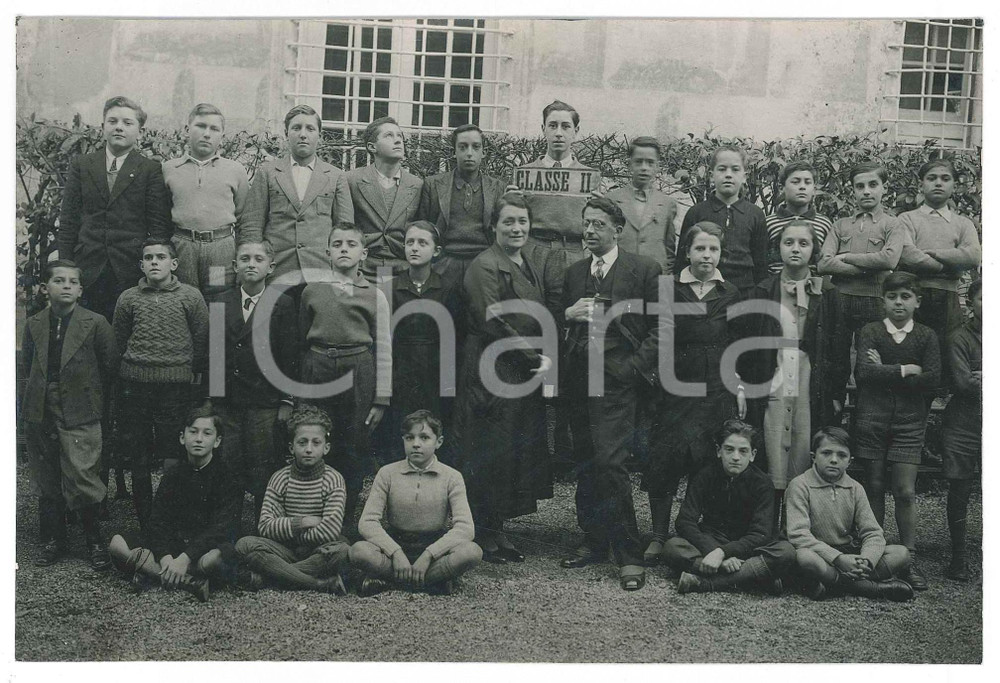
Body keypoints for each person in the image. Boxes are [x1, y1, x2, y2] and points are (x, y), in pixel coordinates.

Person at [558, 196, 662, 591]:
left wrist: (633, 368)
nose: (590, 231)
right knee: (585, 459)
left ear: (617, 229)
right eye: (586, 223)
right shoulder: (574, 273)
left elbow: (661, 327)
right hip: (579, 380)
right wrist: (567, 316)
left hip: (619, 382)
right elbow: (557, 322)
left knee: (610, 462)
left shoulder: (643, 270)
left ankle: (629, 552)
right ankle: (594, 541)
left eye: (599, 224)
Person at [452, 192, 554, 563]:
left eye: (522, 222)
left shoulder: (524, 261)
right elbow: (492, 318)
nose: (516, 228)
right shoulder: (485, 264)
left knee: (509, 448)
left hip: (516, 369)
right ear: (493, 226)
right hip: (491, 366)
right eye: (508, 221)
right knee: (488, 448)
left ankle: (497, 530)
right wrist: (532, 357)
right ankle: (481, 532)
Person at [642, 221, 745, 562]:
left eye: (713, 249)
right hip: (675, 384)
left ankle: (698, 531)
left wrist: (738, 384)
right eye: (700, 248)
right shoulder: (667, 287)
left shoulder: (729, 292)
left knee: (706, 461)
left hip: (715, 386)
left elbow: (735, 343)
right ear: (687, 252)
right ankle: (658, 534)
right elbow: (653, 332)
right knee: (665, 458)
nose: (707, 255)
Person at [740, 220, 848, 533]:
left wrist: (837, 392)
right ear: (779, 248)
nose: (796, 249)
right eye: (789, 243)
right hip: (773, 368)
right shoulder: (763, 289)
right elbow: (750, 343)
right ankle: (766, 530)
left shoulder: (827, 292)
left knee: (803, 440)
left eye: (803, 243)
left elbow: (839, 346)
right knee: (773, 441)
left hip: (809, 373)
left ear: (813, 250)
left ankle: (797, 530)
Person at [20, 260, 119, 569]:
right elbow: (29, 366)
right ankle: (54, 540)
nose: (66, 285)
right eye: (58, 280)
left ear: (80, 289)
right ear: (44, 288)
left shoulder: (95, 322)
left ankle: (94, 540)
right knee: (47, 477)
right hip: (41, 407)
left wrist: (97, 403)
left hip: (80, 406)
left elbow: (110, 366)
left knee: (82, 473)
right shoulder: (34, 323)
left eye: (72, 281)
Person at [299, 222, 391, 530]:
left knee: (353, 446)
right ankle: (315, 518)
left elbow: (384, 349)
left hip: (358, 372)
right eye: (337, 244)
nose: (343, 250)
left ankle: (346, 521)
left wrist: (381, 398)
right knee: (316, 438)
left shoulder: (374, 294)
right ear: (327, 252)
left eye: (351, 244)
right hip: (319, 368)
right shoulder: (312, 291)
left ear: (363, 254)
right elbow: (303, 338)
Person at [112, 237, 208, 530]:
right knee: (138, 457)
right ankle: (145, 522)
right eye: (149, 258)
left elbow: (203, 341)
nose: (155, 262)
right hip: (136, 387)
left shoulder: (191, 297)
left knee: (173, 455)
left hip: (175, 389)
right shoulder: (128, 298)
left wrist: (196, 382)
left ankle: (170, 519)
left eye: (161, 257)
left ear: (174, 264)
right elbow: (118, 341)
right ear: (141, 265)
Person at [852, 271, 939, 591]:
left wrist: (883, 370)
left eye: (906, 296)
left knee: (904, 490)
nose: (899, 303)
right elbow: (863, 373)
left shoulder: (926, 336)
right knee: (873, 486)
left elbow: (932, 379)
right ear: (883, 301)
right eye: (892, 296)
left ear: (917, 301)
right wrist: (905, 369)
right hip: (872, 419)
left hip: (909, 422)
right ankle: (874, 556)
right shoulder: (871, 331)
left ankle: (908, 560)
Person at [108, 405, 243, 602]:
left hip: (203, 548)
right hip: (175, 546)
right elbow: (158, 521)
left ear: (217, 441)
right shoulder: (173, 474)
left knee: (218, 557)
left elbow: (221, 527)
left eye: (207, 433)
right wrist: (165, 557)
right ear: (182, 437)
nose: (198, 439)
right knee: (116, 544)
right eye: (193, 432)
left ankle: (153, 574)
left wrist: (184, 558)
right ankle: (190, 582)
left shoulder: (227, 476)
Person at [207, 238, 299, 527]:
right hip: (229, 403)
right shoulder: (221, 301)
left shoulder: (283, 303)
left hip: (265, 402)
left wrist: (287, 401)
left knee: (263, 470)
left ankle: (264, 531)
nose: (251, 264)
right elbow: (214, 355)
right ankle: (228, 532)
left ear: (270, 267)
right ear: (235, 266)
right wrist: (213, 401)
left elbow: (290, 357)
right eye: (244, 258)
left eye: (258, 259)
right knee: (229, 466)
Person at [57, 95, 172, 324]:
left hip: (129, 270)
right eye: (113, 121)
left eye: (128, 123)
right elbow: (69, 219)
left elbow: (158, 225)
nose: (119, 127)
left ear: (140, 131)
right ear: (103, 127)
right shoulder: (82, 165)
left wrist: (150, 269)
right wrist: (66, 266)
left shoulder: (150, 169)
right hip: (87, 266)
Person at [350, 410, 482, 596]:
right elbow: (367, 522)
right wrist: (395, 552)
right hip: (396, 544)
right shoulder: (387, 473)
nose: (416, 444)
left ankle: (395, 581)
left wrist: (429, 555)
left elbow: (466, 528)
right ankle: (431, 582)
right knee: (358, 551)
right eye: (410, 438)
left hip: (434, 547)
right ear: (403, 440)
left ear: (439, 442)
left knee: (471, 552)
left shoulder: (452, 477)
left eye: (425, 437)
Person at [664, 420, 796, 595]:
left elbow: (760, 534)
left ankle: (704, 583)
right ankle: (752, 577)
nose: (735, 457)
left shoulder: (763, 483)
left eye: (743, 451)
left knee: (785, 552)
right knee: (672, 547)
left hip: (747, 548)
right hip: (711, 541)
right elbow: (685, 521)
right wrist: (715, 552)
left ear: (753, 455)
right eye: (729, 449)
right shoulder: (705, 475)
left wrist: (722, 553)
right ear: (719, 451)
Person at [786, 426, 914, 602]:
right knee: (804, 557)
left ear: (849, 462)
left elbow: (873, 532)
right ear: (814, 457)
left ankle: (835, 583)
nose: (833, 460)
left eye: (841, 455)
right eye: (826, 453)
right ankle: (871, 588)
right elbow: (798, 535)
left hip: (848, 553)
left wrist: (865, 561)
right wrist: (838, 559)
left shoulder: (855, 488)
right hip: (819, 553)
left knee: (901, 553)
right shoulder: (799, 485)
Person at [234, 405, 351, 593]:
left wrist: (288, 529)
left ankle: (272, 576)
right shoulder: (280, 478)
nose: (309, 449)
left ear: (326, 447)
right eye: (302, 442)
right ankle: (316, 583)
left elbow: (329, 531)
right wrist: (302, 522)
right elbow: (264, 526)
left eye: (316, 443)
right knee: (244, 545)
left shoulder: (333, 479)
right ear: (292, 446)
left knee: (343, 550)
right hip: (284, 550)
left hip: (317, 551)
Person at [242, 104, 353, 286]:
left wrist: (340, 271)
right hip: (276, 270)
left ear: (320, 135)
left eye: (310, 128)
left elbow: (345, 230)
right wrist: (256, 265)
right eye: (296, 128)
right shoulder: (268, 172)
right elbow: (252, 225)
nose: (303, 134)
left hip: (320, 271)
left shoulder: (335, 176)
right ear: (286, 134)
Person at [817, 162, 905, 389]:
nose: (866, 191)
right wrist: (870, 264)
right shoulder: (840, 225)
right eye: (860, 186)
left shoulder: (892, 224)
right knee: (836, 359)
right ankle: (834, 416)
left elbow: (889, 260)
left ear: (884, 188)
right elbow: (824, 264)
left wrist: (846, 257)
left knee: (870, 360)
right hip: (841, 299)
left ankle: (864, 419)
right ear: (853, 190)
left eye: (873, 184)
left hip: (875, 300)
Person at [387, 222, 462, 456]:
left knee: (435, 419)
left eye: (422, 243)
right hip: (401, 366)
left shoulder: (447, 288)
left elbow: (456, 336)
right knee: (401, 422)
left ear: (436, 251)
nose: (414, 248)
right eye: (410, 242)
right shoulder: (390, 287)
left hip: (435, 368)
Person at [162, 103, 250, 297]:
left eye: (214, 129)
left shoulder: (235, 171)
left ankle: (216, 328)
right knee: (183, 299)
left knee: (218, 302)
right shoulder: (169, 169)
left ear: (222, 136)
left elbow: (244, 218)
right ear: (187, 130)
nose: (207, 134)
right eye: (201, 126)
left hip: (219, 250)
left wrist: (241, 257)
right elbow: (162, 215)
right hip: (182, 248)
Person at [897, 158, 982, 356]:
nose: (938, 183)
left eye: (945, 179)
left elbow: (972, 256)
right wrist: (948, 265)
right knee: (912, 351)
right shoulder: (907, 219)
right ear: (921, 184)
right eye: (932, 178)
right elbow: (907, 254)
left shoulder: (963, 224)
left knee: (946, 353)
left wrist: (934, 254)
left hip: (949, 299)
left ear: (954, 185)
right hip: (914, 295)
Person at [418, 123, 506, 293]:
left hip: (483, 264)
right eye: (463, 147)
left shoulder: (497, 188)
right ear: (454, 151)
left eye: (476, 147)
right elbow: (424, 227)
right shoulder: (433, 185)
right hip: (444, 264)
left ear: (483, 152)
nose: (469, 153)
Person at [673, 145, 767, 298]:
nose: (728, 175)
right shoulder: (697, 212)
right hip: (704, 293)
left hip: (744, 293)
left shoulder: (755, 214)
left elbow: (760, 265)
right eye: (722, 169)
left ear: (744, 176)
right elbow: (682, 261)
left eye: (735, 169)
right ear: (711, 175)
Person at [347, 117, 423, 281]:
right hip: (362, 269)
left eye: (399, 136)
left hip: (403, 270)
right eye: (389, 135)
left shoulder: (417, 185)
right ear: (372, 147)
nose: (397, 140)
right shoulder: (352, 180)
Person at [940, 279, 981, 582]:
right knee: (960, 487)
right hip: (964, 422)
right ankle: (958, 558)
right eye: (983, 299)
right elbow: (963, 383)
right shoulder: (959, 338)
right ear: (971, 303)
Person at [605, 136, 677, 273]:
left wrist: (666, 292)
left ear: (657, 166)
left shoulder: (667, 204)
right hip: (620, 278)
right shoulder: (612, 200)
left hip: (655, 279)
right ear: (630, 164)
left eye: (650, 163)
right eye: (639, 162)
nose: (644, 168)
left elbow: (669, 255)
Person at [763, 160, 833, 274]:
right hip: (776, 287)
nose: (802, 187)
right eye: (796, 182)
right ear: (782, 188)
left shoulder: (824, 223)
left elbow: (825, 262)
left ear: (814, 189)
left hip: (813, 287)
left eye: (807, 182)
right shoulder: (769, 223)